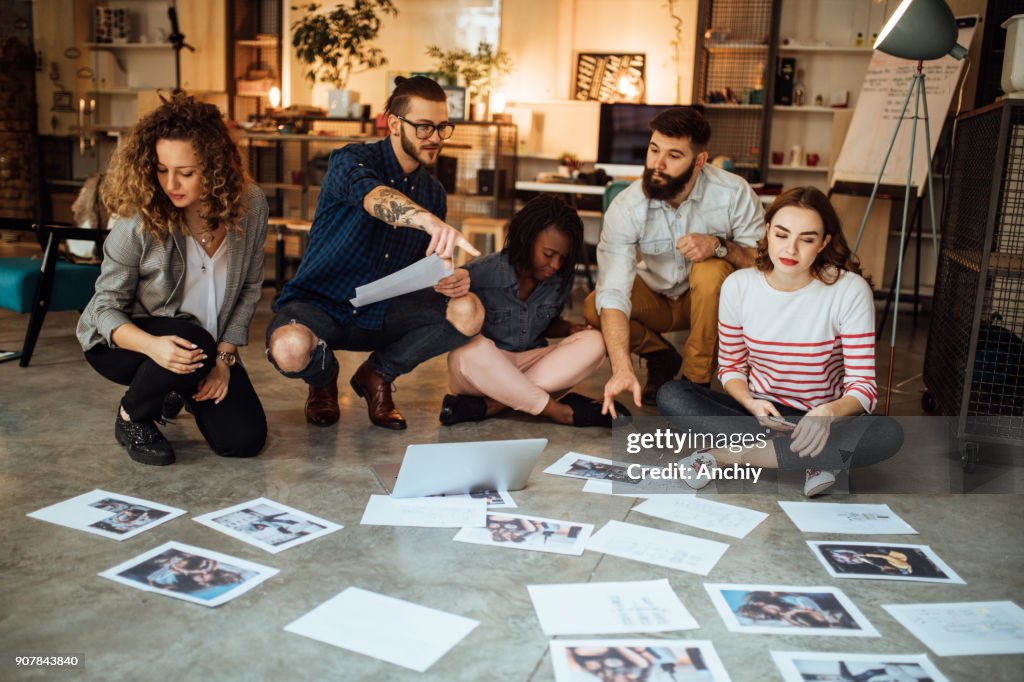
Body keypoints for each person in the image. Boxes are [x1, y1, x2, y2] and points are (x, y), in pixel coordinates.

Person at [266, 76, 483, 430]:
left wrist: (449, 279)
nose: (437, 139)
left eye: (443, 127)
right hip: (322, 304)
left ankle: (378, 374)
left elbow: (423, 269)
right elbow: (375, 198)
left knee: (469, 311)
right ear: (395, 125)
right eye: (425, 127)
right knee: (290, 349)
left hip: (384, 310)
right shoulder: (350, 161)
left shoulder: (433, 193)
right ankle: (322, 378)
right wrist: (425, 220)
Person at [656, 187, 904, 496]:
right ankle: (816, 459)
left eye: (807, 239)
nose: (791, 249)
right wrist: (750, 403)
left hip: (824, 419)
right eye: (783, 234)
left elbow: (863, 387)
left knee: (887, 433)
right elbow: (731, 368)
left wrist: (826, 415)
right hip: (759, 414)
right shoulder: (739, 286)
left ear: (824, 242)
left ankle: (721, 458)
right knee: (672, 395)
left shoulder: (848, 290)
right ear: (768, 231)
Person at [77, 93, 268, 466]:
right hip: (123, 343)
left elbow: (249, 289)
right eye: (162, 169)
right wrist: (153, 347)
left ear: (215, 168)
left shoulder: (251, 204)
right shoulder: (138, 222)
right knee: (192, 338)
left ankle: (177, 386)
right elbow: (104, 308)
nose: (170, 183)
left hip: (203, 350)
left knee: (243, 440)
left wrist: (224, 361)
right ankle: (132, 416)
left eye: (186, 172)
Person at [583, 107, 765, 412]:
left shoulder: (734, 193)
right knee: (595, 305)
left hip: (711, 302)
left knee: (710, 270)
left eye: (674, 155)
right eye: (654, 150)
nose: (658, 164)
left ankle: (695, 384)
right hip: (657, 296)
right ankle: (660, 356)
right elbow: (614, 291)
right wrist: (622, 368)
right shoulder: (627, 206)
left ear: (700, 161)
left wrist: (721, 246)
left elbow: (763, 266)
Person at [441, 196, 626, 427]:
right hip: (484, 370)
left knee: (596, 341)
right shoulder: (481, 273)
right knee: (467, 351)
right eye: (549, 255)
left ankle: (490, 406)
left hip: (531, 362)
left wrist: (569, 328)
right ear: (525, 241)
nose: (556, 265)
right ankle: (560, 412)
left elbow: (544, 324)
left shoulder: (558, 279)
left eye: (562, 258)